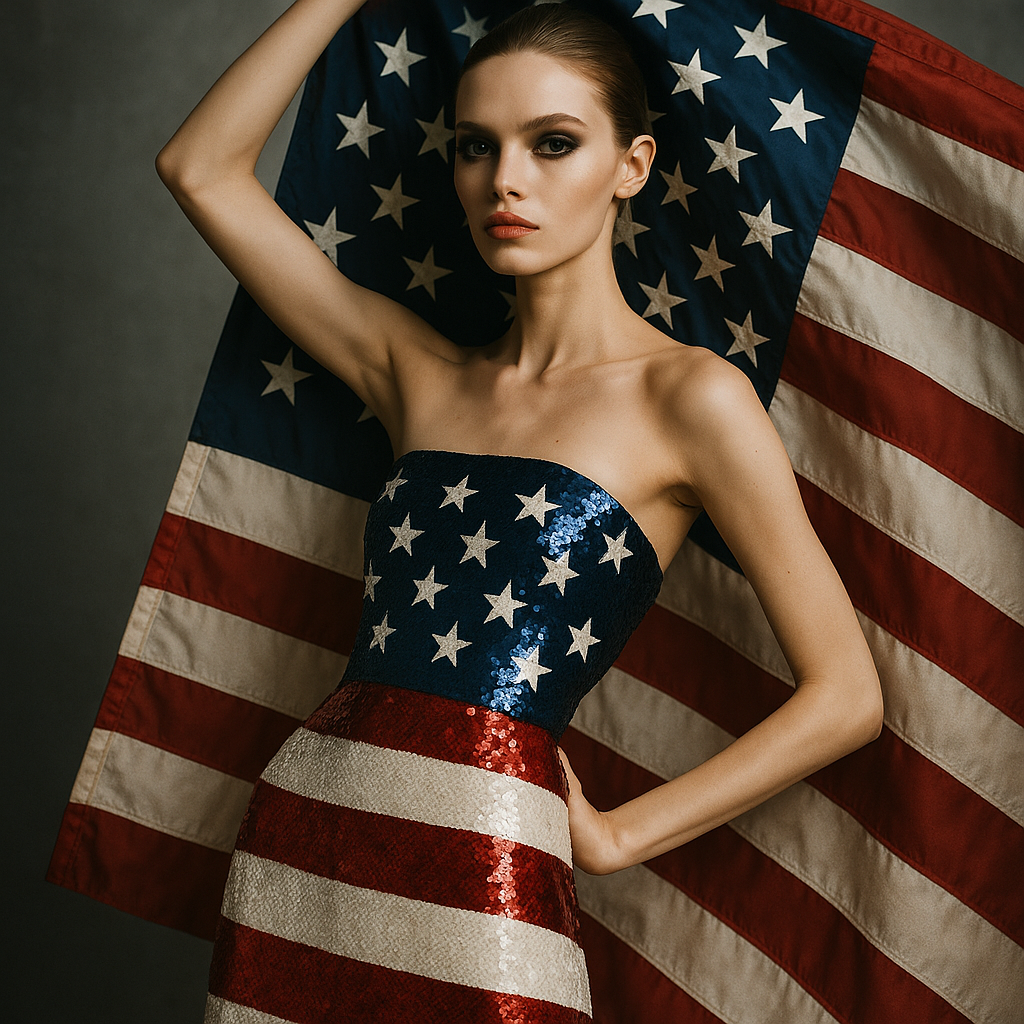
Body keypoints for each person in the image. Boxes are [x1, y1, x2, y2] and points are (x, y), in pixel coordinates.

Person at [156, 1, 883, 1020]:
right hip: (308, 838)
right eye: (475, 146)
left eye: (552, 143)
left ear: (630, 165)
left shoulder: (691, 399)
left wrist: (620, 835)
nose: (505, 179)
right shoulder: (417, 372)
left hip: (489, 854)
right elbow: (199, 169)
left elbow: (846, 696)